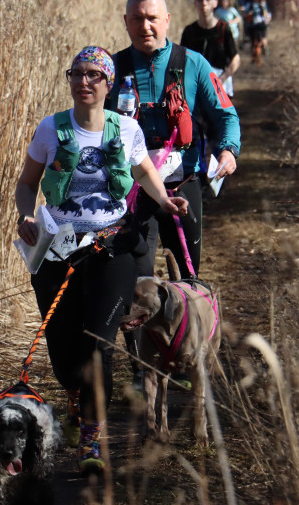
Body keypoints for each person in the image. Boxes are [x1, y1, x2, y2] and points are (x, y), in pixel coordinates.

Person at [15, 45, 188, 474]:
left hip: (111, 249)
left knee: (98, 344)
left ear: (109, 85)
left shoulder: (126, 130)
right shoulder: (50, 129)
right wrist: (23, 215)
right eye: (77, 73)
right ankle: (74, 397)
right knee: (63, 351)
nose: (85, 82)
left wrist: (165, 202)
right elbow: (26, 184)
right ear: (69, 79)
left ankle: (92, 442)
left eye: (95, 75)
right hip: (56, 252)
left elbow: (146, 171)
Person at [107, 0, 241, 389]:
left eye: (152, 18)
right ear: (126, 22)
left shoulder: (194, 64)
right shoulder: (113, 70)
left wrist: (229, 151)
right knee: (138, 282)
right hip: (135, 193)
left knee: (187, 278)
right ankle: (142, 370)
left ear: (167, 20)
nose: (145, 25)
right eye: (137, 18)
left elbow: (225, 115)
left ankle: (187, 357)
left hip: (184, 187)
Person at [180, 0, 240, 98]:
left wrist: (222, 78)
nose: (203, 3)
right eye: (199, 0)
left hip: (220, 88)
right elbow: (181, 60)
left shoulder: (223, 28)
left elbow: (235, 59)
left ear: (215, 3)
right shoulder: (189, 31)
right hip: (196, 88)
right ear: (195, 3)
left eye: (207, 0)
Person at [243, 0, 272, 65]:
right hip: (252, 25)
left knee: (261, 40)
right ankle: (254, 57)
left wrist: (266, 17)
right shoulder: (250, 5)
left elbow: (268, 15)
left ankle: (264, 50)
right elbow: (245, 14)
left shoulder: (263, 5)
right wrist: (248, 14)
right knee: (253, 42)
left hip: (261, 25)